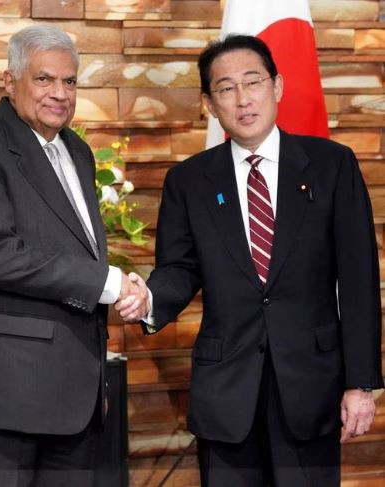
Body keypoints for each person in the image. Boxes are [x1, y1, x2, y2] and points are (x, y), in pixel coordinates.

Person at [117, 34, 383, 486]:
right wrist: (147, 299)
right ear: (208, 103)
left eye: (252, 82)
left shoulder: (332, 165)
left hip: (311, 387)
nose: (242, 99)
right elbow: (180, 269)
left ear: (277, 87)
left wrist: (360, 384)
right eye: (225, 88)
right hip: (226, 392)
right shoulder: (189, 181)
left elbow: (358, 280)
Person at [0, 24, 144, 487]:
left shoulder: (79, 151)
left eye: (69, 81)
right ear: (9, 82)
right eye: (44, 79)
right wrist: (108, 283)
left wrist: (122, 286)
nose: (60, 93)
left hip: (73, 398)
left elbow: (73, 248)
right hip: (4, 396)